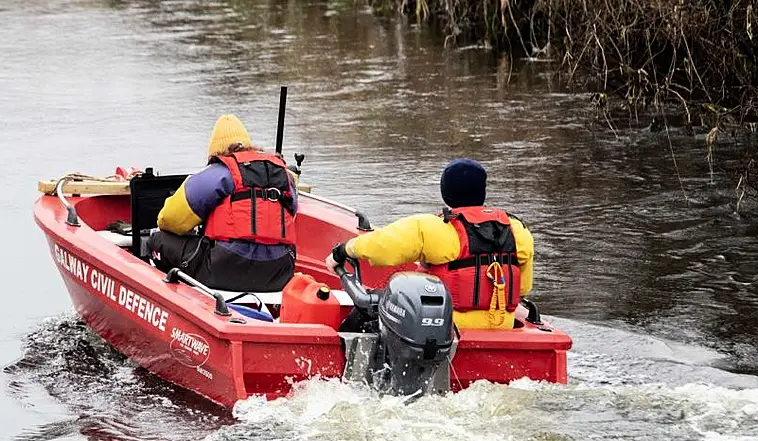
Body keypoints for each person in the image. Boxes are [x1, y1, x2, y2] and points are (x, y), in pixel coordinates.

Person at [325, 158, 533, 330]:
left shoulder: (433, 228)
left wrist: (343, 250)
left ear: (446, 192)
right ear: (482, 192)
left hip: (445, 328)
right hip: (504, 327)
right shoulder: (517, 231)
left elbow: (382, 248)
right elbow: (523, 288)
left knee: (368, 312)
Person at [147, 114, 298, 292]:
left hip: (224, 271)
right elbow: (292, 213)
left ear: (215, 152)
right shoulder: (284, 175)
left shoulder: (218, 173)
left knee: (158, 240)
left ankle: (176, 296)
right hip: (279, 273)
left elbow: (168, 220)